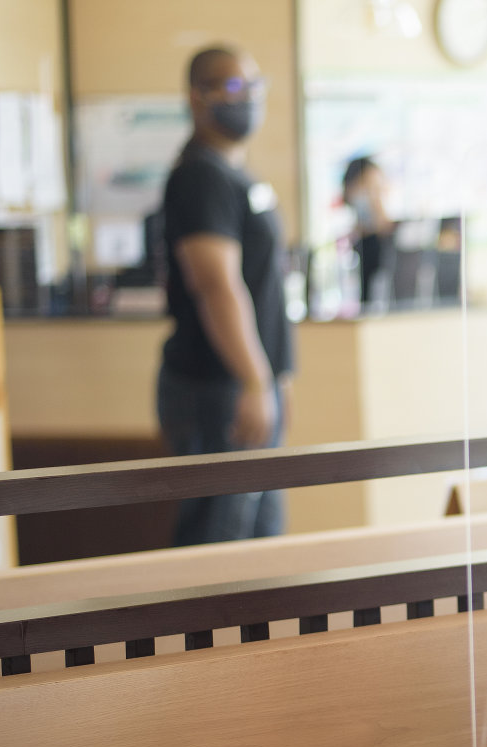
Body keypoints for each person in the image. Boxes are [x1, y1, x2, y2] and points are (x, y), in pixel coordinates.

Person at [157, 44, 294, 546]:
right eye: (234, 87)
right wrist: (255, 381)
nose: (249, 98)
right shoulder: (201, 176)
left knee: (261, 542)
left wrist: (277, 375)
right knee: (221, 548)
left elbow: (262, 285)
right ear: (198, 97)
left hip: (247, 381)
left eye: (256, 86)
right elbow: (217, 286)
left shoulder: (236, 175)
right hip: (217, 388)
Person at [342, 156, 395, 307]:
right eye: (367, 189)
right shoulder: (347, 247)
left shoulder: (392, 243)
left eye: (377, 189)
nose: (374, 198)